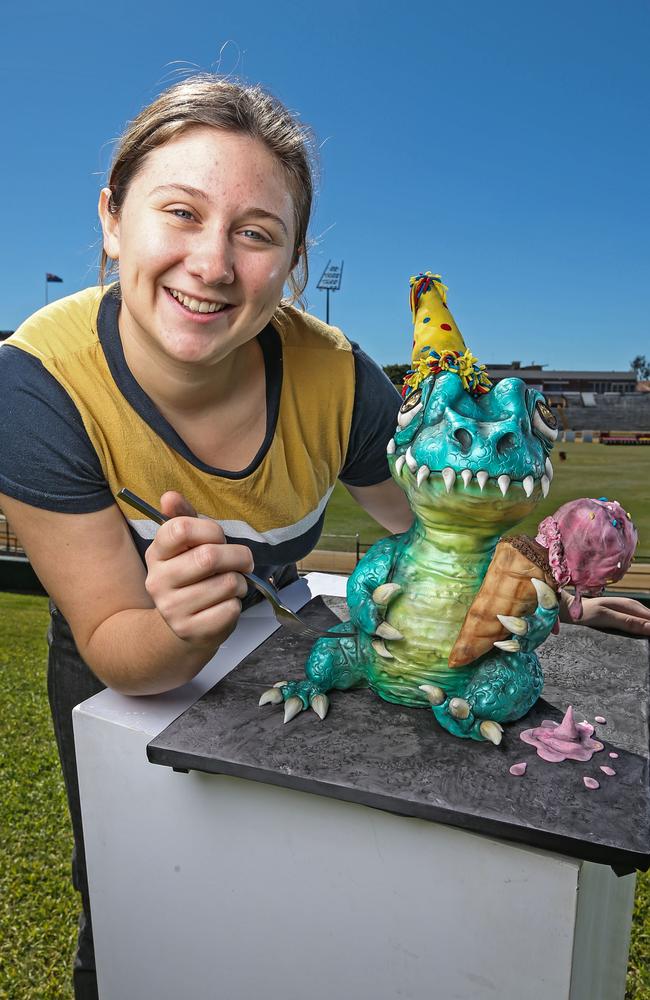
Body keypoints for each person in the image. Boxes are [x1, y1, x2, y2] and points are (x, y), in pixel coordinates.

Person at [0, 75, 648, 999]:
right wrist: (183, 625)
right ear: (112, 219)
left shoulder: (336, 376)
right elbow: (117, 642)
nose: (213, 264)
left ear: (295, 260)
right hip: (129, 660)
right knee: (129, 889)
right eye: (178, 212)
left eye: (256, 233)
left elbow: (437, 540)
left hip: (290, 644)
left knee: (286, 894)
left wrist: (557, 589)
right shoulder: (34, 384)